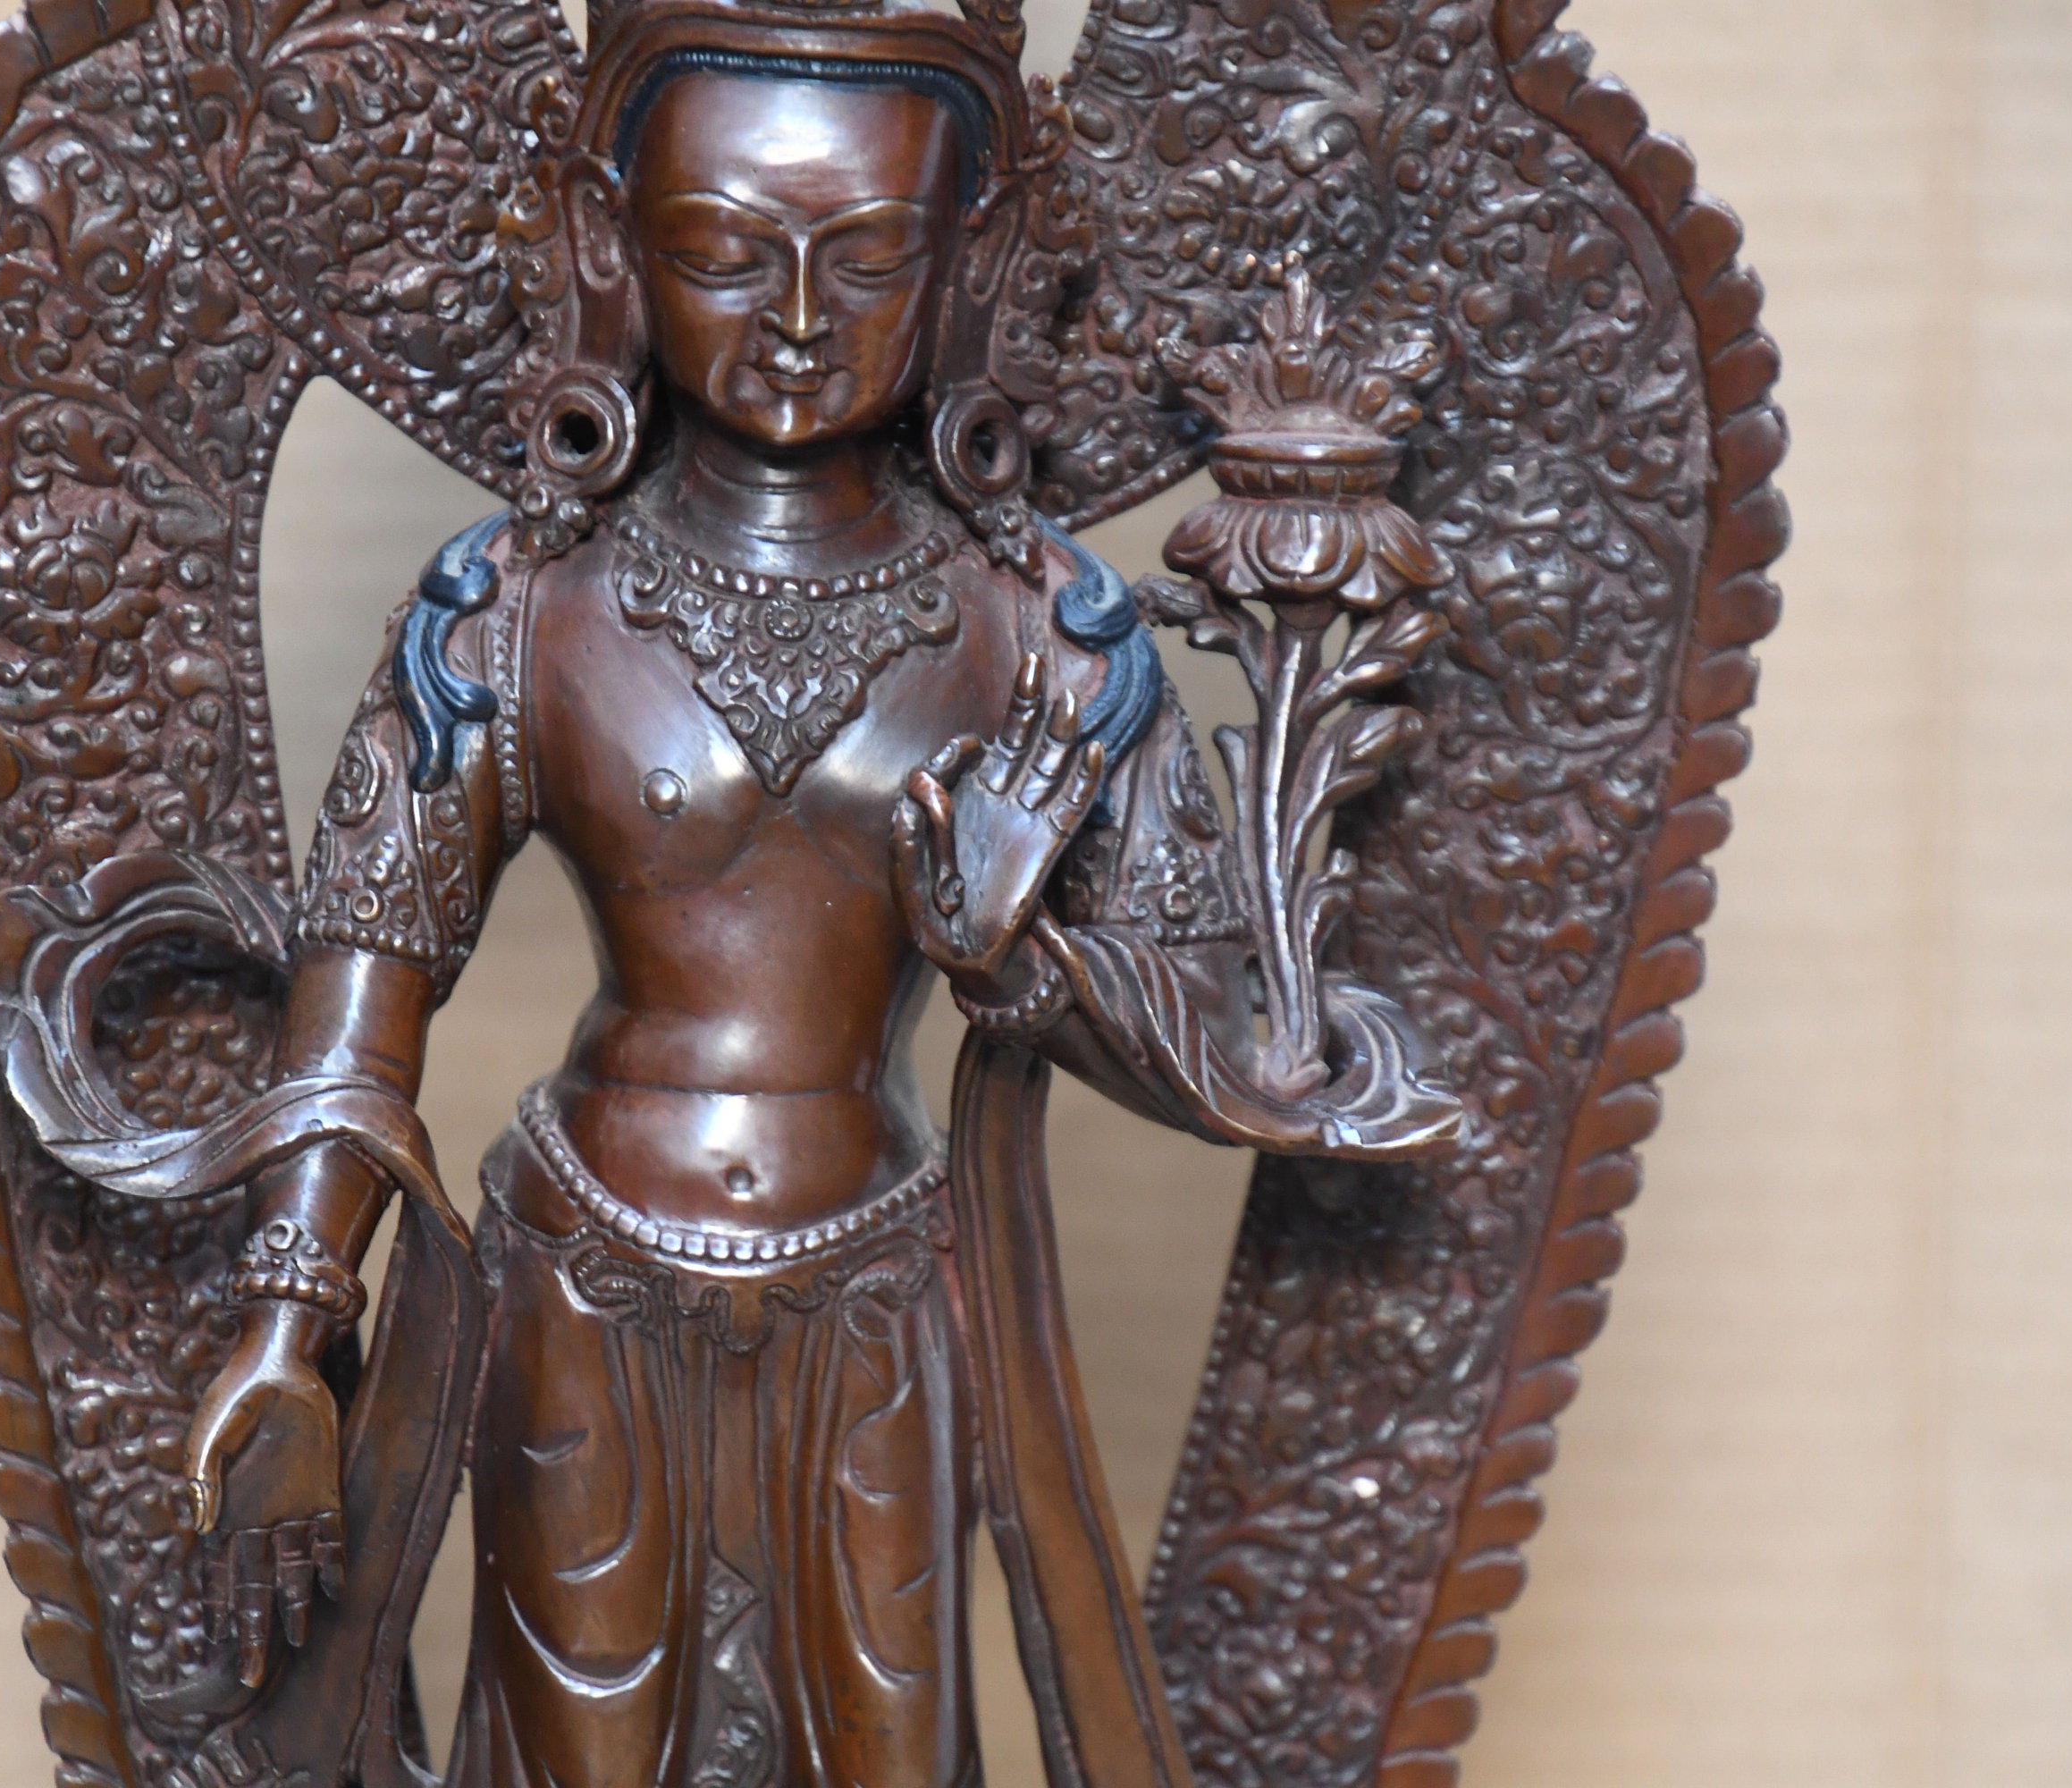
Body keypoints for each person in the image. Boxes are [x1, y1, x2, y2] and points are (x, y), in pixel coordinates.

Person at [167, 6, 1453, 1784]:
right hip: (584, 1283)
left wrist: (1021, 965)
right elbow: (365, 979)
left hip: (882, 1284)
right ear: (608, 245)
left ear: (973, 263)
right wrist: (288, 1327)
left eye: (865, 260)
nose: (793, 316)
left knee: (887, 1744)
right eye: (721, 252)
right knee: (575, 1749)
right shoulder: (516, 608)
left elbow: (1223, 1041)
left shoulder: (1046, 636)